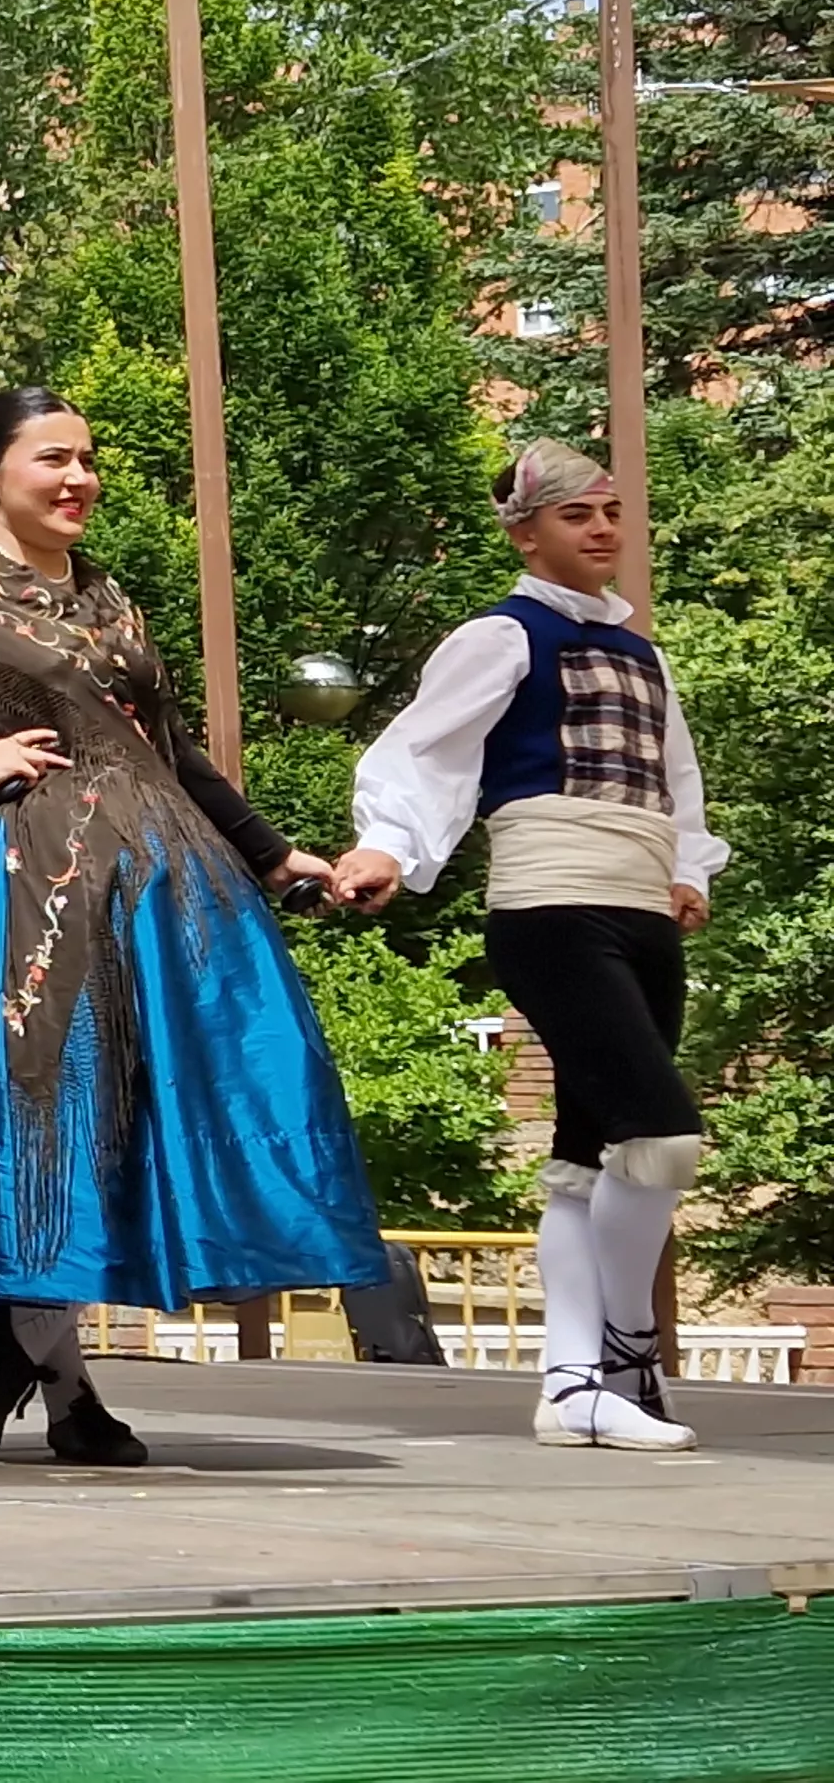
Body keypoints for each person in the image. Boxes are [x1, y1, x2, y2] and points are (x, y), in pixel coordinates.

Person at [0, 386, 379, 1468]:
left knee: (127, 1110)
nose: (79, 477)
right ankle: (60, 1377)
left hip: (139, 878)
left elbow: (168, 751)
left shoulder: (107, 599)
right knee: (38, 1110)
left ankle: (21, 1341)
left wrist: (273, 854)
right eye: (54, 458)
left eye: (88, 457)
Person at [330, 440, 722, 1451]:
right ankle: (628, 1350)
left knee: (586, 1159)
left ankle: (570, 1382)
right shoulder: (501, 635)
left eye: (611, 511)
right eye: (576, 514)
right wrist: (385, 845)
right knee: (662, 1134)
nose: (601, 529)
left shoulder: (643, 652)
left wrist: (689, 865)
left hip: (638, 901)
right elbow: (422, 749)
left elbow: (674, 776)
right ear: (524, 531)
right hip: (551, 900)